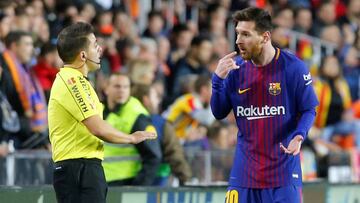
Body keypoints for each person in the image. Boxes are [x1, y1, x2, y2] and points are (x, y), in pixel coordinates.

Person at [210, 7, 318, 203]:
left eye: (245, 34)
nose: (238, 41)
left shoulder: (293, 67)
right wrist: (217, 80)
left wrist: (300, 135)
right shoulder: (236, 71)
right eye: (237, 34)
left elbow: (308, 109)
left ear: (265, 37)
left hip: (283, 174)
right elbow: (218, 112)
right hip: (244, 175)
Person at [48, 22, 156, 203]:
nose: (99, 49)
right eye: (94, 44)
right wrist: (131, 138)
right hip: (79, 169)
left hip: (83, 168)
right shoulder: (72, 81)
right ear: (82, 55)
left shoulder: (79, 82)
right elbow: (97, 127)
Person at [102, 73, 161, 186]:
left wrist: (137, 188)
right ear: (106, 89)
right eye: (117, 86)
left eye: (126, 87)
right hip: (101, 180)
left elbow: (153, 156)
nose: (122, 91)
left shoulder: (138, 116)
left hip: (125, 182)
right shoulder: (98, 109)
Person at [132, 83, 192, 186]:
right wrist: (186, 178)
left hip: (125, 181)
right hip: (157, 182)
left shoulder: (124, 120)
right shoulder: (160, 124)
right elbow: (174, 153)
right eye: (155, 97)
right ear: (146, 99)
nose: (158, 101)